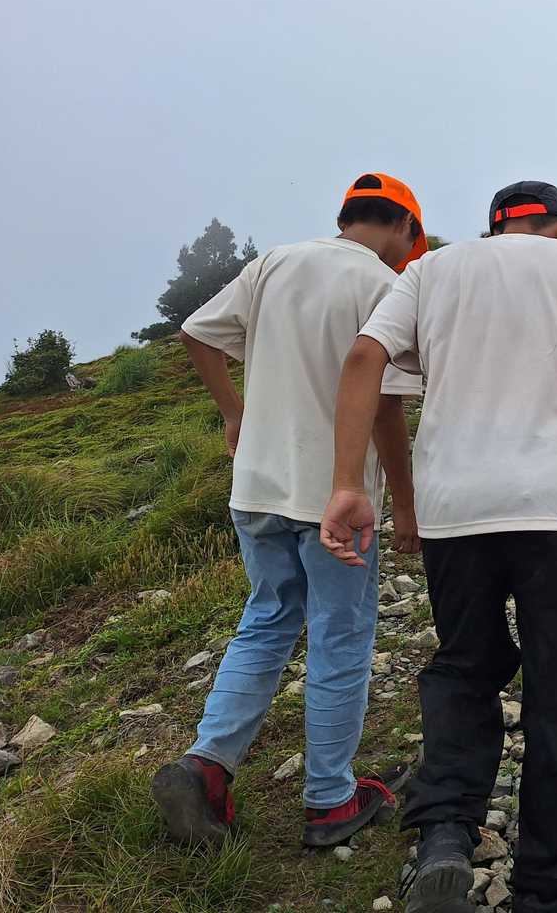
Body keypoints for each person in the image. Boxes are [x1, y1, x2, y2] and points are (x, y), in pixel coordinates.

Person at [320, 181, 557, 913]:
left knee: (464, 666)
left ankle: (446, 834)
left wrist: (348, 484)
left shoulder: (431, 269)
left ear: (496, 228)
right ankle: (553, 882)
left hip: (455, 511)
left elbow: (364, 357)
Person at [152, 173, 428, 848]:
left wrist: (234, 414)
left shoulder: (275, 262)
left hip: (257, 488)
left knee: (266, 620)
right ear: (403, 227)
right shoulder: (382, 286)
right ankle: (331, 800)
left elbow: (196, 334)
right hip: (335, 496)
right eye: (412, 243)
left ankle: (207, 767)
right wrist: (406, 503)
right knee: (340, 636)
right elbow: (386, 409)